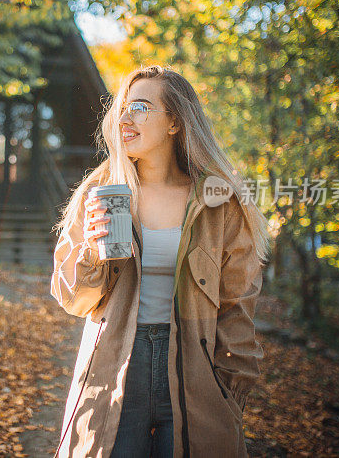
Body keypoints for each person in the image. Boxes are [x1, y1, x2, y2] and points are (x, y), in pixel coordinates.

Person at [50, 65, 270, 458]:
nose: (125, 117)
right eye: (122, 108)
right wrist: (93, 252)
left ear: (174, 122)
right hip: (114, 366)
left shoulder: (218, 203)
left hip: (197, 372)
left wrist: (230, 389)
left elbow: (238, 305)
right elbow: (74, 299)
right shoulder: (101, 194)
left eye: (140, 106)